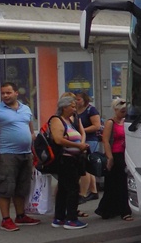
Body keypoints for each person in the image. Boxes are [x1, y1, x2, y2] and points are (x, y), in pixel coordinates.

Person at [0, 82, 41, 231]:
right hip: (7, 155)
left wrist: (34, 152)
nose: (5, 95)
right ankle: (6, 220)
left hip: (26, 154)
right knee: (6, 188)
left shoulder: (26, 109)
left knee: (22, 187)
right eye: (3, 93)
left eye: (8, 93)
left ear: (16, 93)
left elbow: (31, 132)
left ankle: (20, 216)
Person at [49, 94, 90, 230]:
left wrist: (81, 145)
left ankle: (59, 217)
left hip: (74, 158)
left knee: (63, 188)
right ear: (64, 107)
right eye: (72, 107)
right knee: (73, 189)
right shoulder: (57, 120)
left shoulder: (71, 120)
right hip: (65, 160)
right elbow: (58, 139)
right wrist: (78, 146)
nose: (74, 109)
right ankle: (71, 219)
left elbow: (81, 133)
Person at [95, 98, 133, 221]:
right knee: (114, 183)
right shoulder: (110, 122)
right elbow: (105, 140)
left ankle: (116, 209)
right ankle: (123, 211)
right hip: (115, 155)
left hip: (124, 154)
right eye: (121, 111)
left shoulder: (126, 122)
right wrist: (109, 157)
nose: (124, 113)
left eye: (125, 111)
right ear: (115, 110)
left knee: (121, 183)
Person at [75, 91, 101, 203]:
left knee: (86, 166)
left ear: (85, 100)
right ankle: (94, 191)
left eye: (79, 99)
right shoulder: (75, 110)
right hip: (80, 140)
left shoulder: (91, 110)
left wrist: (81, 130)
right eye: (75, 99)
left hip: (90, 140)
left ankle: (83, 193)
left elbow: (97, 126)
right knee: (89, 166)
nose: (76, 102)